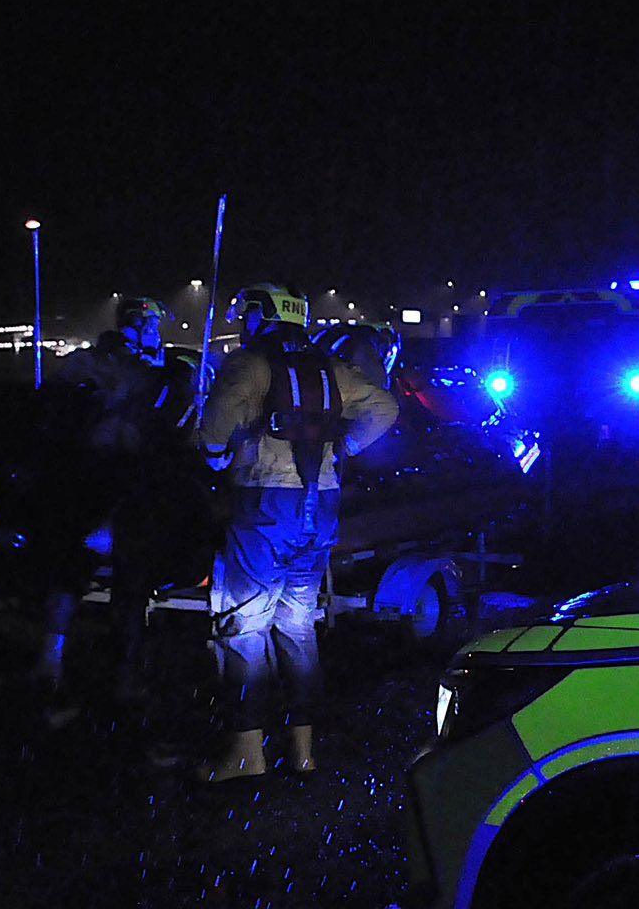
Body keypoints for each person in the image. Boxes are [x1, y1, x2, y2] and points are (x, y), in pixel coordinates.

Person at [197, 282, 398, 781]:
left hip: (265, 501)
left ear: (262, 317)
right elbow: (386, 408)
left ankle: (246, 754)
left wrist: (215, 455)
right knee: (299, 625)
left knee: (243, 627)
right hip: (321, 503)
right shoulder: (329, 368)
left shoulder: (249, 364)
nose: (243, 322)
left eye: (247, 314)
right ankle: (304, 751)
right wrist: (347, 447)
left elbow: (215, 428)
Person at [27, 296, 196, 712]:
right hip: (118, 479)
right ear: (136, 324)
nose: (157, 331)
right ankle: (117, 675)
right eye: (152, 324)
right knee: (126, 579)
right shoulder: (128, 367)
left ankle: (54, 663)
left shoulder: (92, 362)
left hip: (94, 477)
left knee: (73, 571)